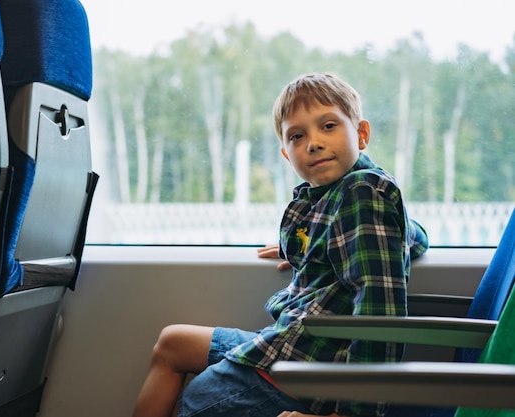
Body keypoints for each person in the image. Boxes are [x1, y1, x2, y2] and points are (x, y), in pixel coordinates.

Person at [131, 72, 429, 417]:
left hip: (310, 363)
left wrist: (351, 413)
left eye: (328, 126)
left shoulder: (363, 193)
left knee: (198, 401)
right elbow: (414, 234)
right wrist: (315, 244)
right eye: (297, 136)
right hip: (293, 340)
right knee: (173, 343)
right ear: (287, 154)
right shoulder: (346, 194)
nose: (313, 143)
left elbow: (381, 312)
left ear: (361, 134)